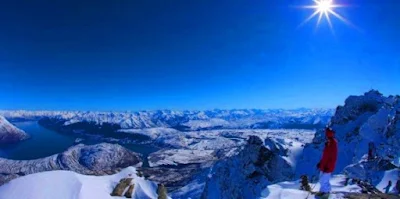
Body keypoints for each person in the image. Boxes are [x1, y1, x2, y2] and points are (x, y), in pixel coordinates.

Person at [316, 127, 338, 198]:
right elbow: (325, 156)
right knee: (322, 179)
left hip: (328, 166)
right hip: (324, 165)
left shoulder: (332, 143)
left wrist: (327, 166)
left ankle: (326, 193)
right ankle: (323, 191)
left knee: (324, 180)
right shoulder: (329, 143)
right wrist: (321, 163)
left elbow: (332, 157)